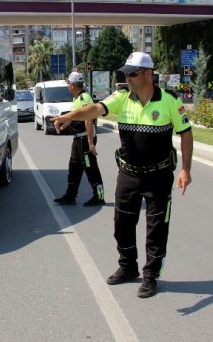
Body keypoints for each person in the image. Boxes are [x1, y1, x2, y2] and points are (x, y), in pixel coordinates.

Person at [52, 52, 193, 298]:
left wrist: (185, 169)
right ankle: (128, 267)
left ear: (149, 74)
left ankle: (151, 276)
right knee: (122, 224)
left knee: (156, 228)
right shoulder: (122, 98)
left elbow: (186, 133)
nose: (127, 78)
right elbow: (95, 109)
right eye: (125, 74)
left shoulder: (170, 101)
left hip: (158, 177)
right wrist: (68, 116)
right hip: (128, 175)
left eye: (132, 73)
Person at [53, 71, 105, 207]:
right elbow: (74, 117)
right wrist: (62, 124)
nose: (67, 86)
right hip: (77, 141)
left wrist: (90, 143)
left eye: (68, 84)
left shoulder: (84, 99)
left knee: (91, 168)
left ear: (72, 85)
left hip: (84, 140)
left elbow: (88, 120)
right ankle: (70, 196)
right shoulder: (76, 99)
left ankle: (99, 196)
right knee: (74, 168)